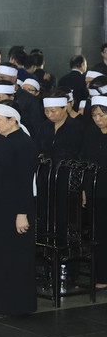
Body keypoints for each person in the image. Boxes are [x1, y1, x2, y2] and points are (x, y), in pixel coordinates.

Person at [0, 102, 38, 316]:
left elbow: (25, 182)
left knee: (16, 256)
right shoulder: (0, 141)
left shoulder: (24, 145)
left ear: (12, 120)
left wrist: (22, 213)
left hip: (17, 208)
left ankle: (18, 304)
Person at [80, 95, 107, 290]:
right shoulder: (90, 135)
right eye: (95, 115)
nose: (98, 119)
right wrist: (83, 189)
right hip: (95, 193)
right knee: (98, 235)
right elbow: (85, 165)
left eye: (102, 115)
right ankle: (101, 275)